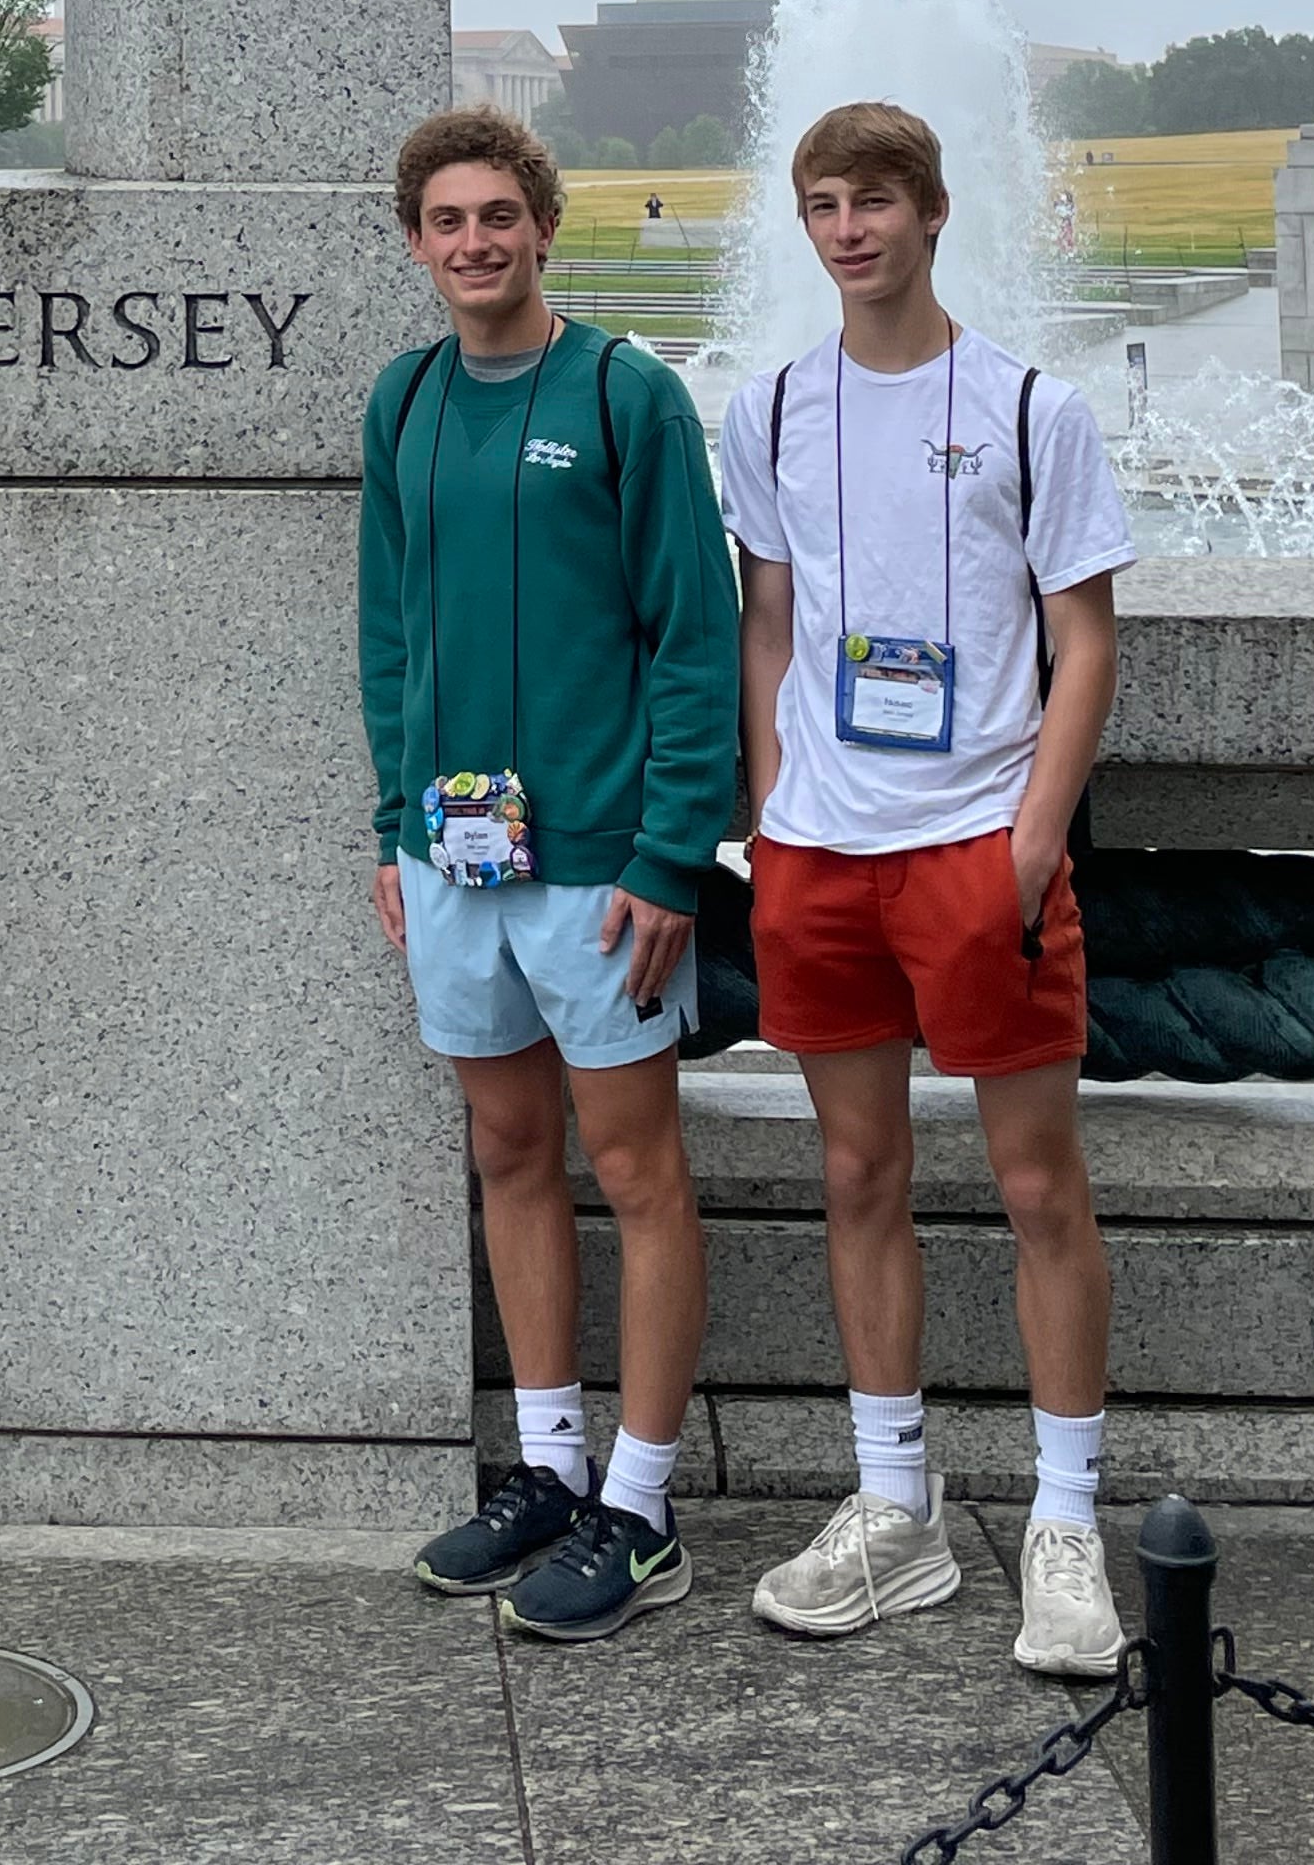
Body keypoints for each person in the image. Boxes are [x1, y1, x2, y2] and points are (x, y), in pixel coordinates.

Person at [721, 101, 1133, 1681]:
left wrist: (1032, 842)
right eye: (823, 202)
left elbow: (1085, 640)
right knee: (858, 1175)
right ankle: (896, 1507)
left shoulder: (1035, 408)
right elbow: (770, 616)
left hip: (978, 847)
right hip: (824, 852)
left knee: (1040, 1188)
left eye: (875, 200)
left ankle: (1067, 1521)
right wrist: (772, 808)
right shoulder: (767, 409)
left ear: (936, 213)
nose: (848, 228)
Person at [363, 103, 737, 1643]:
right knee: (510, 1156)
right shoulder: (402, 402)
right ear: (416, 244)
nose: (474, 243)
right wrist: (392, 822)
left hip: (600, 867)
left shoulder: (627, 395)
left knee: (637, 1171)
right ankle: (548, 1469)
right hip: (453, 859)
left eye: (497, 216)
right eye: (447, 222)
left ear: (543, 225)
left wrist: (669, 855)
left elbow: (694, 641)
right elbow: (391, 634)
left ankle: (641, 1509)